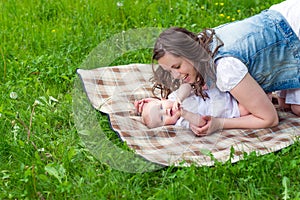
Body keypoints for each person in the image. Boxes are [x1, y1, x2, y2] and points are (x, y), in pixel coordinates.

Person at [150, 0, 300, 136]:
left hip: (294, 29)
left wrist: (220, 123)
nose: (175, 75)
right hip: (283, 22)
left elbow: (269, 118)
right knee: (285, 105)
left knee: (296, 109)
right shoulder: (205, 42)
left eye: (177, 66)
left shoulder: (224, 68)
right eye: (170, 70)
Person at [136, 83, 250, 129]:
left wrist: (180, 98)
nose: (165, 112)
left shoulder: (173, 97)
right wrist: (184, 113)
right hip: (230, 108)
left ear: (162, 100)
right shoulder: (180, 123)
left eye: (160, 108)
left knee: (243, 87)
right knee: (247, 107)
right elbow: (201, 123)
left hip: (222, 92)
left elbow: (187, 86)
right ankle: (267, 98)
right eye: (161, 118)